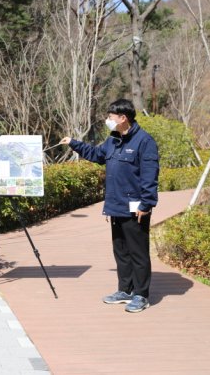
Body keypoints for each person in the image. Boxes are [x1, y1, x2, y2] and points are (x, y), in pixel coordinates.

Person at [59, 98, 159, 313]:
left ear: (123, 118)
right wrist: (74, 143)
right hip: (115, 205)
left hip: (136, 207)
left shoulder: (144, 141)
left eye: (110, 117)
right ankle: (125, 290)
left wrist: (146, 203)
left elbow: (150, 176)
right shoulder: (113, 140)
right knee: (121, 251)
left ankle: (141, 295)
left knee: (138, 252)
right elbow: (97, 155)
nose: (108, 120)